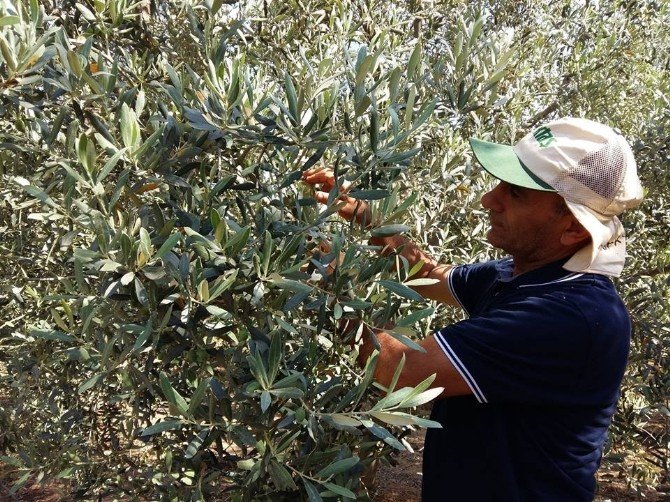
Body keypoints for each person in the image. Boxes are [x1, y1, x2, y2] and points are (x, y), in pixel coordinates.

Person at [302, 117, 644, 501]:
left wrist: (332, 287)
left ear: (573, 230)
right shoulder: (520, 274)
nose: (488, 199)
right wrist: (370, 220)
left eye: (514, 192)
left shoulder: (566, 316)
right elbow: (427, 274)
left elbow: (396, 370)